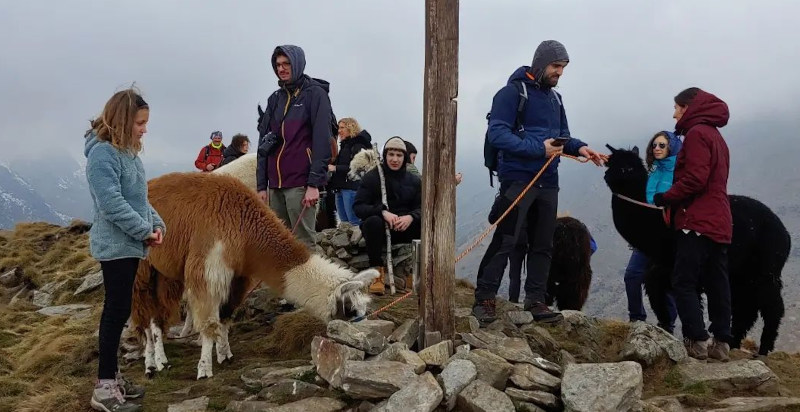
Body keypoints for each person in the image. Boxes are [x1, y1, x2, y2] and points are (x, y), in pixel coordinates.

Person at [472, 40, 605, 324]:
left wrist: (580, 148)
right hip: (517, 178)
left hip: (548, 179)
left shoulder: (556, 99)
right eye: (556, 66)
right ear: (541, 63)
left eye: (563, 68)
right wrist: (539, 149)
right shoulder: (510, 94)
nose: (560, 73)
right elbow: (497, 134)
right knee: (507, 239)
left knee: (543, 243)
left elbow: (562, 135)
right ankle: (484, 298)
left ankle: (536, 300)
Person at [84, 89, 165, 412]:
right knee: (115, 312)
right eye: (140, 123)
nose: (144, 129)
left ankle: (113, 377)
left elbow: (138, 199)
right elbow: (111, 205)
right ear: (122, 120)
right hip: (116, 247)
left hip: (129, 245)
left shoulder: (127, 152)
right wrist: (145, 230)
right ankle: (104, 388)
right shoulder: (102, 155)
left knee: (119, 312)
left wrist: (157, 224)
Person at [653, 87, 732, 361]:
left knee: (683, 281)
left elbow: (696, 178)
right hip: (719, 220)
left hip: (695, 219)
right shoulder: (716, 136)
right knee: (716, 280)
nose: (674, 114)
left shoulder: (697, 134)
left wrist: (666, 197)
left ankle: (696, 341)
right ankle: (722, 342)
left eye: (676, 108)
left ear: (688, 107)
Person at [256, 45, 333, 249]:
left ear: (297, 63)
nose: (281, 68)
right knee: (278, 244)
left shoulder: (315, 95)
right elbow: (263, 144)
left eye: (286, 63)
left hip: (301, 184)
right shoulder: (275, 99)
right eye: (278, 64)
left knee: (304, 243)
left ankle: (312, 282)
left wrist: (314, 184)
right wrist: (261, 186)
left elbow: (322, 141)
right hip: (275, 186)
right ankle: (283, 283)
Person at [623, 131, 681, 329]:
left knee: (665, 283)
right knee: (632, 275)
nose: (657, 148)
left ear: (672, 148)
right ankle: (636, 319)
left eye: (662, 145)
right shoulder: (652, 171)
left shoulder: (681, 172)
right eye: (654, 145)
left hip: (669, 236)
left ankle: (668, 325)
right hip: (647, 236)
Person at [353, 137, 421, 295]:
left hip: (404, 227)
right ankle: (376, 274)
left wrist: (410, 217)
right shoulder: (372, 177)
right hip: (380, 230)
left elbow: (422, 208)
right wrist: (382, 212)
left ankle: (413, 274)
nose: (395, 159)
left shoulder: (414, 181)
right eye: (391, 154)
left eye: (399, 155)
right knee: (372, 222)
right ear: (385, 155)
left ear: (404, 158)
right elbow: (358, 207)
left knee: (423, 224)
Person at [328, 117, 372, 225]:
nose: (339, 131)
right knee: (344, 224)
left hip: (351, 188)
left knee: (354, 222)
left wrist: (335, 168)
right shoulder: (344, 146)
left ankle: (357, 242)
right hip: (340, 188)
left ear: (351, 128)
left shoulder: (358, 145)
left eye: (342, 128)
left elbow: (360, 167)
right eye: (338, 128)